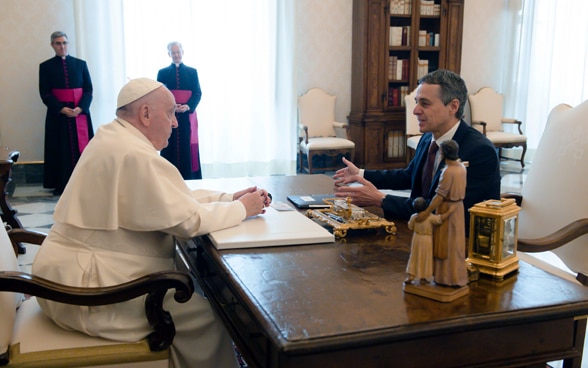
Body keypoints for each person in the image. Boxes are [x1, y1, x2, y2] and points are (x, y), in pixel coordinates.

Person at [32, 78, 271, 368]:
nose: (175, 123)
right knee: (206, 316)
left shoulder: (114, 138)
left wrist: (228, 197)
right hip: (88, 293)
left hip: (68, 275)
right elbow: (189, 221)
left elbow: (172, 197)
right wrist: (241, 209)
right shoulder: (133, 154)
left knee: (192, 286)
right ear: (145, 114)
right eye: (169, 113)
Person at [333, 69, 500, 231]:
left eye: (425, 104)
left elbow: (447, 212)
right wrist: (360, 174)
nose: (415, 110)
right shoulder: (428, 138)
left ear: (453, 106)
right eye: (416, 102)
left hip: (458, 244)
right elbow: (409, 176)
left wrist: (381, 199)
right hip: (422, 230)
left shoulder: (480, 151)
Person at [39, 31, 94, 195]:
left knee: (81, 148)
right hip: (59, 116)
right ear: (52, 45)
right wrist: (61, 109)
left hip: (80, 114)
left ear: (68, 44)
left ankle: (84, 181)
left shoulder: (81, 64)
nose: (62, 46)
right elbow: (45, 93)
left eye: (64, 43)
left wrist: (81, 108)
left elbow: (88, 90)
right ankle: (61, 183)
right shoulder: (45, 67)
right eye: (58, 43)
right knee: (60, 148)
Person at [416, 140, 468, 287]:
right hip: (458, 208)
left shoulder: (448, 171)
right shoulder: (462, 168)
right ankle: (457, 277)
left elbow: (439, 196)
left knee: (445, 245)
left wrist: (426, 212)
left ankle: (445, 278)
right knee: (456, 245)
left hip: (446, 207)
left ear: (444, 152)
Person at [157, 41, 203, 179]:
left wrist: (188, 106)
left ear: (182, 52)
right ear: (169, 54)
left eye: (178, 52)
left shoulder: (192, 72)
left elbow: (197, 93)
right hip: (170, 116)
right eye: (173, 52)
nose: (176, 55)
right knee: (169, 146)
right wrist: (171, 106)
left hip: (187, 117)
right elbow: (160, 93)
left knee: (186, 150)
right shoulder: (162, 73)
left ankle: (189, 179)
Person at [405, 196, 446, 285]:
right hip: (427, 238)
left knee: (414, 257)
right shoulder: (430, 217)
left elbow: (410, 226)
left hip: (416, 238)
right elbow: (439, 219)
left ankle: (411, 275)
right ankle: (424, 276)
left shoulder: (413, 217)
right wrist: (450, 212)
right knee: (425, 257)